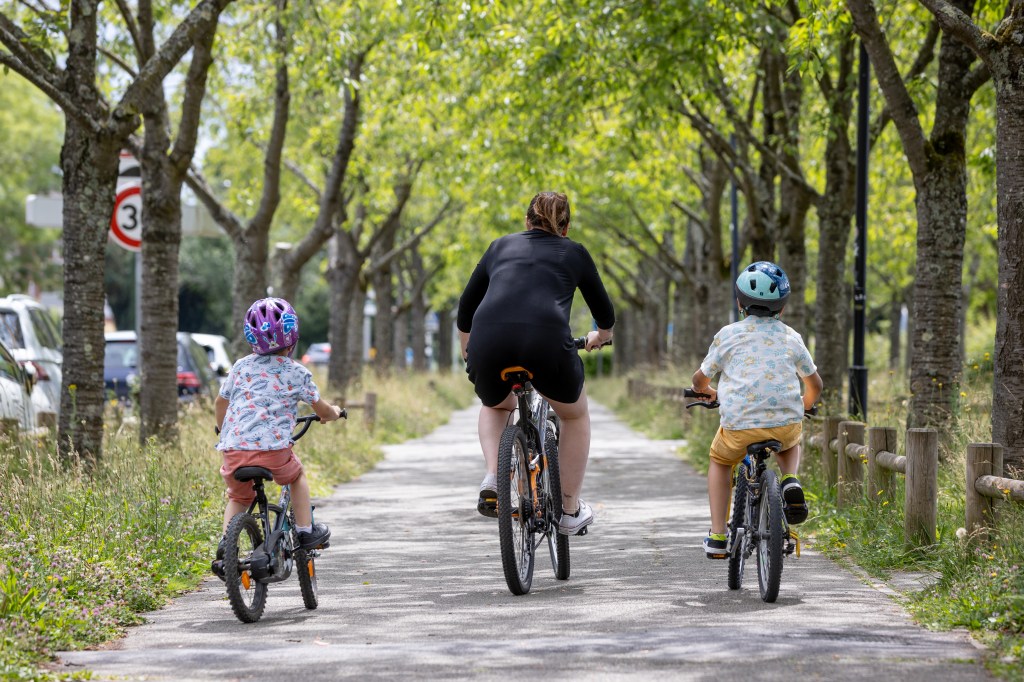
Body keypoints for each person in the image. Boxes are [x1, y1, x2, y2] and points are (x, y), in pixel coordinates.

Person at [457, 191, 615, 536]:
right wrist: (600, 336)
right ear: (566, 227)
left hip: (489, 342)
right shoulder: (574, 252)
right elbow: (605, 313)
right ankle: (570, 509)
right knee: (575, 415)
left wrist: (468, 349)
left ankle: (493, 476)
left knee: (496, 405)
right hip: (547, 344)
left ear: (526, 221)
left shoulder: (499, 246)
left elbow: (466, 307)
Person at [690, 261, 822, 558]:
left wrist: (706, 391)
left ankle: (718, 536)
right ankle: (789, 480)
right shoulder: (792, 337)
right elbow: (815, 385)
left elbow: (700, 379)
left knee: (720, 461)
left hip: (739, 427)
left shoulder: (728, 335)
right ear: (782, 307)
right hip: (784, 424)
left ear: (740, 302)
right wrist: (805, 405)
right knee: (791, 436)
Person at [211, 297, 345, 579]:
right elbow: (320, 408)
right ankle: (306, 531)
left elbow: (220, 404)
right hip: (273, 452)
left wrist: (223, 429)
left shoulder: (240, 367)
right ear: (292, 337)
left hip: (233, 450)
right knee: (296, 476)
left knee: (237, 495)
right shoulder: (297, 372)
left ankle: (227, 545)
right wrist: (332, 413)